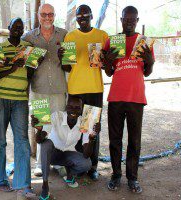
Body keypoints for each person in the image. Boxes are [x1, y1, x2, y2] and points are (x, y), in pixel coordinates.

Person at [103, 6, 155, 193]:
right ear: (121, 19)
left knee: (134, 140)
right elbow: (109, 72)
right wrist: (108, 61)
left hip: (136, 98)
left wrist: (150, 60)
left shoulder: (144, 42)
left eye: (133, 20)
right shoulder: (112, 40)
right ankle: (116, 175)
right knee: (115, 139)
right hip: (116, 97)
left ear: (137, 20)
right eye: (126, 19)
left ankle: (132, 178)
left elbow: (147, 72)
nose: (130, 22)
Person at [58, 4, 108, 181]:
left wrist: (106, 58)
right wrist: (60, 56)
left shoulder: (102, 35)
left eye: (86, 15)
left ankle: (92, 166)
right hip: (75, 91)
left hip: (94, 88)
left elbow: (108, 65)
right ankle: (79, 164)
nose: (83, 18)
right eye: (79, 16)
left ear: (92, 16)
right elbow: (67, 67)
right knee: (77, 128)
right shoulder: (70, 36)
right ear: (76, 18)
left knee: (91, 129)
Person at [0, 17, 38, 197]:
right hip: (0, 98)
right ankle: (2, 179)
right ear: (9, 28)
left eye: (21, 27)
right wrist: (12, 67)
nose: (18, 30)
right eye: (15, 27)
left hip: (20, 99)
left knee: (22, 141)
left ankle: (23, 183)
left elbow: (30, 74)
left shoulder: (28, 48)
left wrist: (35, 63)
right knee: (0, 140)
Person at [22, 3, 68, 176]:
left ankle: (57, 162)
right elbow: (25, 64)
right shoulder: (28, 38)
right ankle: (41, 164)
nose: (47, 17)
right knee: (41, 126)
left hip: (58, 89)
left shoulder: (64, 35)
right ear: (38, 15)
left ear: (54, 15)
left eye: (50, 14)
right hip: (39, 89)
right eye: (44, 14)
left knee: (58, 126)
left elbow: (69, 63)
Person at [31, 96, 101, 200]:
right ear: (66, 107)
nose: (73, 110)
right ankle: (45, 185)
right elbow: (40, 140)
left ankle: (69, 174)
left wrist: (92, 138)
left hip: (68, 155)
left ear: (81, 109)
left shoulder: (85, 122)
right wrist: (39, 131)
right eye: (70, 107)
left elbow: (86, 155)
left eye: (77, 108)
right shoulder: (56, 116)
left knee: (86, 164)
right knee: (46, 144)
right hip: (52, 154)